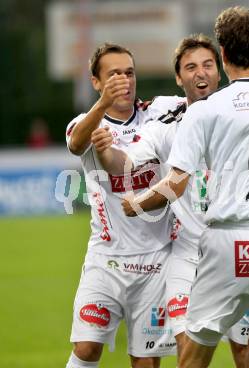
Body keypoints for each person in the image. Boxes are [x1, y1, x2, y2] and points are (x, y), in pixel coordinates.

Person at [120, 7, 249, 368]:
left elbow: (176, 183)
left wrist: (136, 204)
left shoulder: (207, 110)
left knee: (193, 357)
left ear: (222, 55)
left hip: (233, 242)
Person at [93, 34, 249, 367]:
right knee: (189, 353)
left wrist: (138, 204)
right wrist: (105, 150)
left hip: (236, 250)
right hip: (187, 254)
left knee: (247, 355)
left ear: (219, 71)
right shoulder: (165, 122)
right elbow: (126, 161)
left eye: (208, 65)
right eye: (190, 67)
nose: (200, 73)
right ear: (179, 78)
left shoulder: (241, 117)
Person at [65, 43, 177, 368]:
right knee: (86, 348)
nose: (124, 80)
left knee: (145, 362)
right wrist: (103, 104)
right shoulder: (86, 123)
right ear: (96, 81)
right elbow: (75, 145)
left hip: (156, 259)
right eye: (113, 74)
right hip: (106, 259)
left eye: (129, 73)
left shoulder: (158, 117)